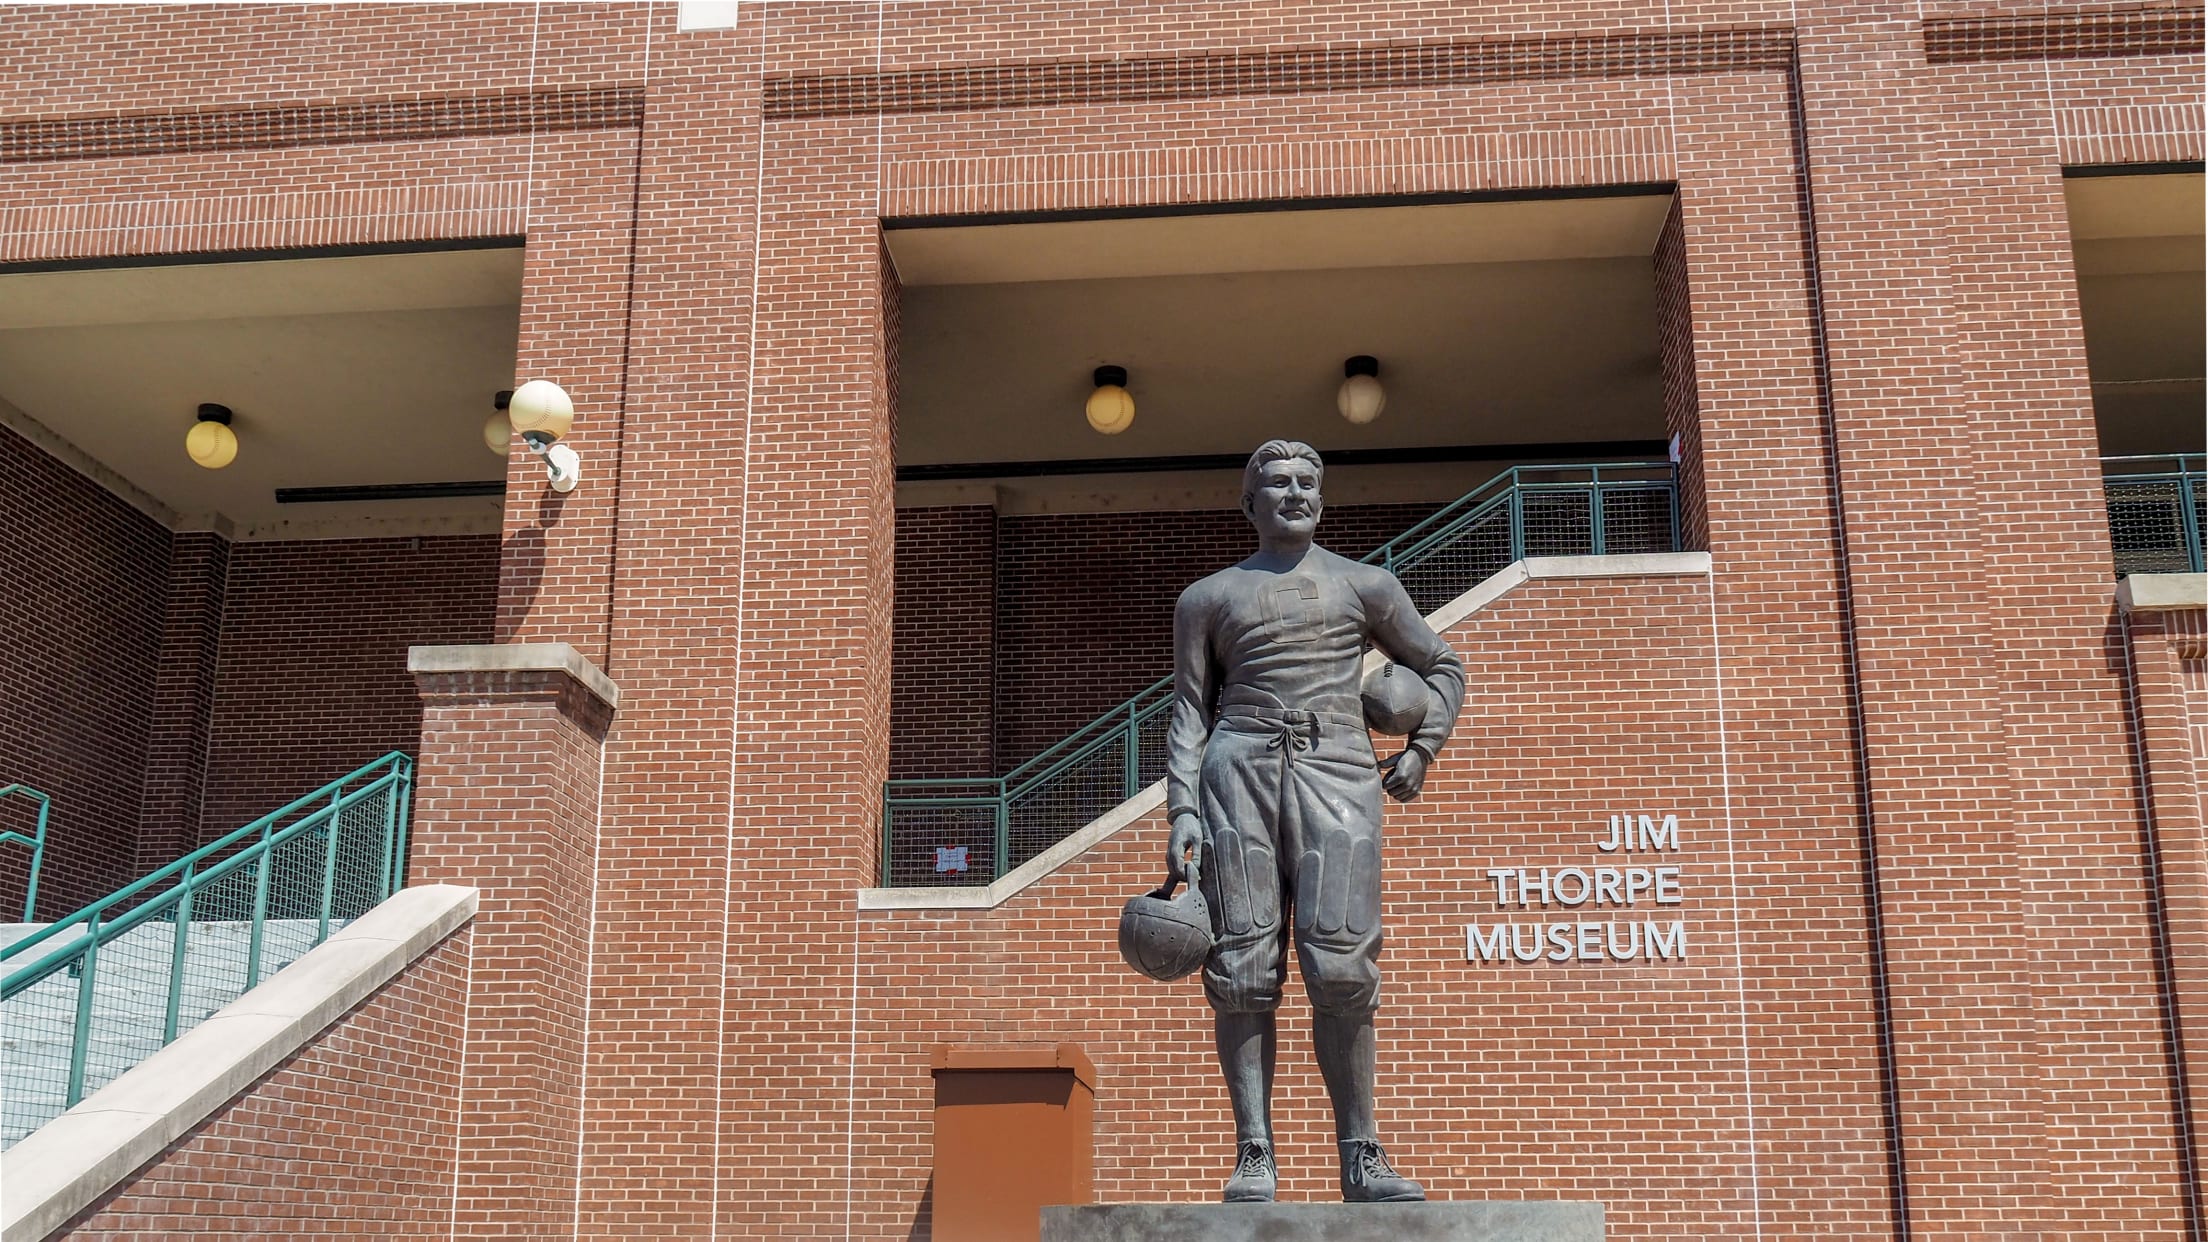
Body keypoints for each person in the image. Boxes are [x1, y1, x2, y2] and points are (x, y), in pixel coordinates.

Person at [1166, 439, 1466, 1204]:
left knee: (1341, 967)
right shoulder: (1207, 597)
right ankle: (1254, 1151)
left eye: (1307, 482)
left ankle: (1361, 1151)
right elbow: (1190, 711)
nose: (1294, 493)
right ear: (1250, 503)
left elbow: (1443, 667)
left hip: (1338, 770)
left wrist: (1422, 747)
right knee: (1241, 967)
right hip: (1238, 772)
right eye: (1277, 484)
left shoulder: (1367, 585)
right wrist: (1182, 808)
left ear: (1322, 498)